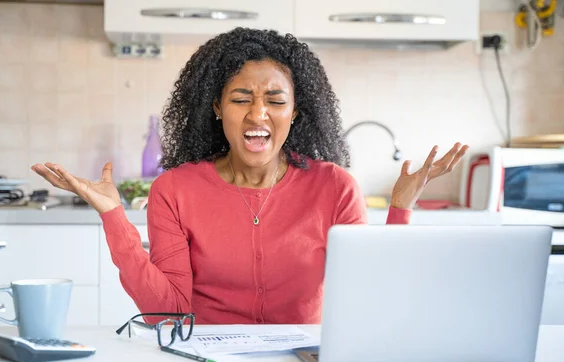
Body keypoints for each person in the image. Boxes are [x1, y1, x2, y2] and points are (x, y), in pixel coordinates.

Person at [32, 28, 468, 325]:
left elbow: (371, 300)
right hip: (207, 361)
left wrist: (400, 210)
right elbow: (169, 314)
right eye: (241, 99)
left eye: (275, 100)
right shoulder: (176, 190)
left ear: (295, 113)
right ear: (218, 107)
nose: (258, 114)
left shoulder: (334, 187)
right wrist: (113, 216)